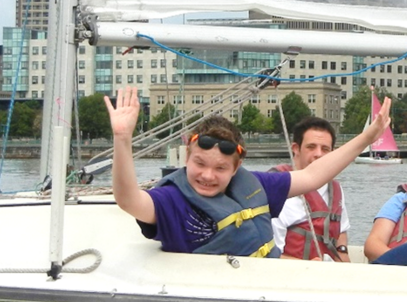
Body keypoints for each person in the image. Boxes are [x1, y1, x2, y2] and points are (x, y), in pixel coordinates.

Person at [105, 87, 391, 256]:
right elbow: (129, 200)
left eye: (220, 168)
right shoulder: (171, 200)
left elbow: (313, 175)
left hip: (263, 288)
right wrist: (122, 139)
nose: (207, 175)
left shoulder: (254, 185)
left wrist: (367, 138)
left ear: (236, 168)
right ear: (187, 157)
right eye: (199, 164)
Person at [270, 116, 353, 261]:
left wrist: (342, 252)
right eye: (311, 147)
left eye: (325, 149)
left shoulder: (335, 189)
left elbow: (342, 230)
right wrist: (307, 267)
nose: (318, 154)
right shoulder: (277, 189)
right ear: (296, 149)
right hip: (291, 276)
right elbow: (269, 254)